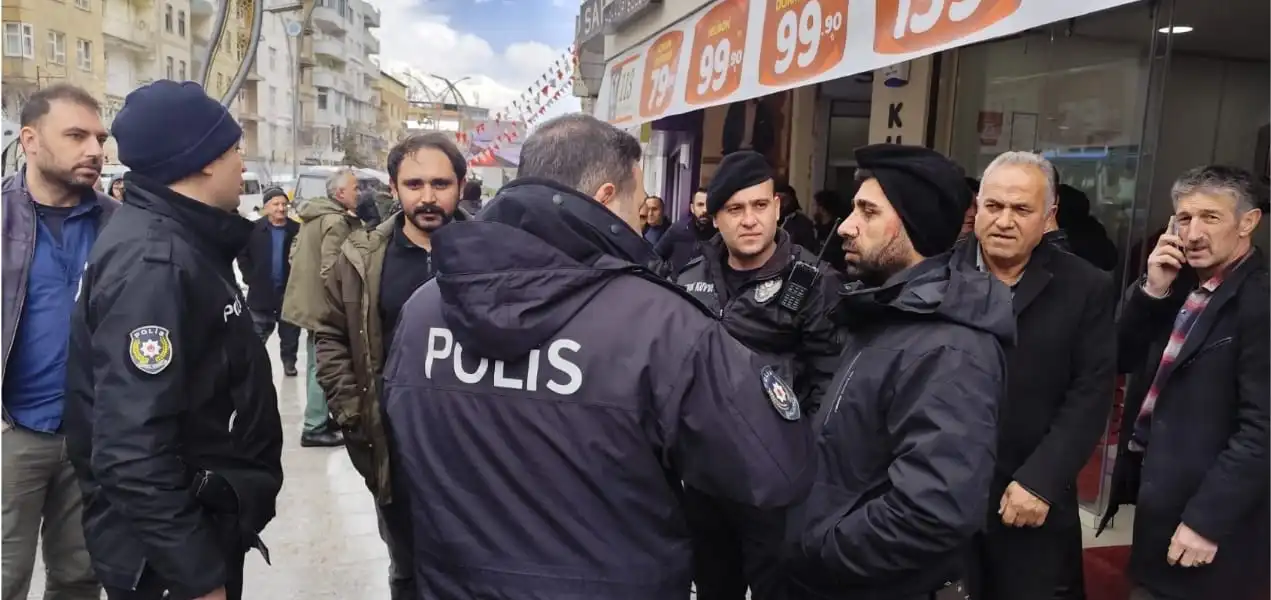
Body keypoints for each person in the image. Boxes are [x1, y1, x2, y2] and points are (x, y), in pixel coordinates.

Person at [382, 113, 814, 598]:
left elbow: (402, 457)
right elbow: (776, 467)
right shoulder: (659, 323)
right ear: (606, 197)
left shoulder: (423, 311)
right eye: (638, 201)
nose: (642, 217)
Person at [63, 80, 284, 600]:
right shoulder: (154, 262)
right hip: (169, 557)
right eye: (234, 151)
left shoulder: (185, 240)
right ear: (202, 161)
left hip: (196, 523)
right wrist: (198, 575)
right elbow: (131, 451)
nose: (242, 165)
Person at [780, 144, 1014, 599]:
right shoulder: (886, 315)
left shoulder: (951, 347)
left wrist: (820, 549)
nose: (846, 226)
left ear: (915, 224)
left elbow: (933, 510)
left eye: (868, 212)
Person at [676, 150, 842, 599]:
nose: (750, 220)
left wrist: (803, 464)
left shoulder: (812, 280)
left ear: (777, 207)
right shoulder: (689, 278)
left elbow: (830, 383)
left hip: (777, 484)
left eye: (760, 205)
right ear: (715, 217)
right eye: (735, 209)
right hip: (705, 479)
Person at [313, 133, 470, 600]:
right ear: (393, 187)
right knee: (408, 566)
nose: (427, 197)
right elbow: (331, 335)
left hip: (475, 447)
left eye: (440, 184)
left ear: (461, 186)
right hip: (395, 446)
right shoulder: (362, 259)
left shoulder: (494, 253)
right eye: (414, 184)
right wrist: (353, 412)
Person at [1102, 165, 1268, 600]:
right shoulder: (1181, 286)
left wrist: (1206, 521)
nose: (1193, 233)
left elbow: (1263, 429)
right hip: (1162, 498)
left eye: (1210, 217)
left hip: (1214, 518)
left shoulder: (1260, 300)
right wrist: (1152, 290)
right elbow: (1118, 357)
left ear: (1248, 222)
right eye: (1184, 218)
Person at [960, 152, 1115, 600]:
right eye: (993, 206)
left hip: (1032, 498)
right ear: (977, 206)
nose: (1004, 221)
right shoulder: (934, 276)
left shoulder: (1085, 286)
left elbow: (1091, 392)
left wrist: (1042, 480)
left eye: (1021, 209)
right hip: (943, 495)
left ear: (1049, 217)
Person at [1, 83, 111, 600]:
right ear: (30, 140)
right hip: (13, 435)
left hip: (92, 437)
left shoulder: (118, 224)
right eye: (75, 136)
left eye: (100, 138)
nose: (94, 150)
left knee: (80, 576)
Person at [282, 167, 363, 447]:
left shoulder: (312, 215)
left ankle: (318, 417)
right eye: (355, 188)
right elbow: (332, 270)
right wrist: (343, 307)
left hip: (309, 302)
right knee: (323, 365)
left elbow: (293, 254)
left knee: (316, 361)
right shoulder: (335, 221)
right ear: (340, 193)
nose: (359, 193)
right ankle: (314, 426)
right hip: (323, 307)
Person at [237, 187, 301, 375]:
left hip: (288, 294)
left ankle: (289, 363)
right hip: (261, 294)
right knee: (256, 336)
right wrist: (250, 277)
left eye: (284, 204)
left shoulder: (296, 230)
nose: (281, 208)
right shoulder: (254, 229)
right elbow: (243, 255)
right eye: (276, 204)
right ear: (266, 207)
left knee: (290, 335)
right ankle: (255, 367)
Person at [655, 187, 716, 272]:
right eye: (700, 205)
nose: (705, 210)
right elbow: (656, 256)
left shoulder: (720, 235)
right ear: (692, 208)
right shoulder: (677, 230)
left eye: (708, 205)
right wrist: (668, 274)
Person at [776, 184, 818, 254]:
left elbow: (807, 250)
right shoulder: (775, 220)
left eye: (784, 200)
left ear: (792, 200)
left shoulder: (803, 223)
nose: (781, 204)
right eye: (777, 200)